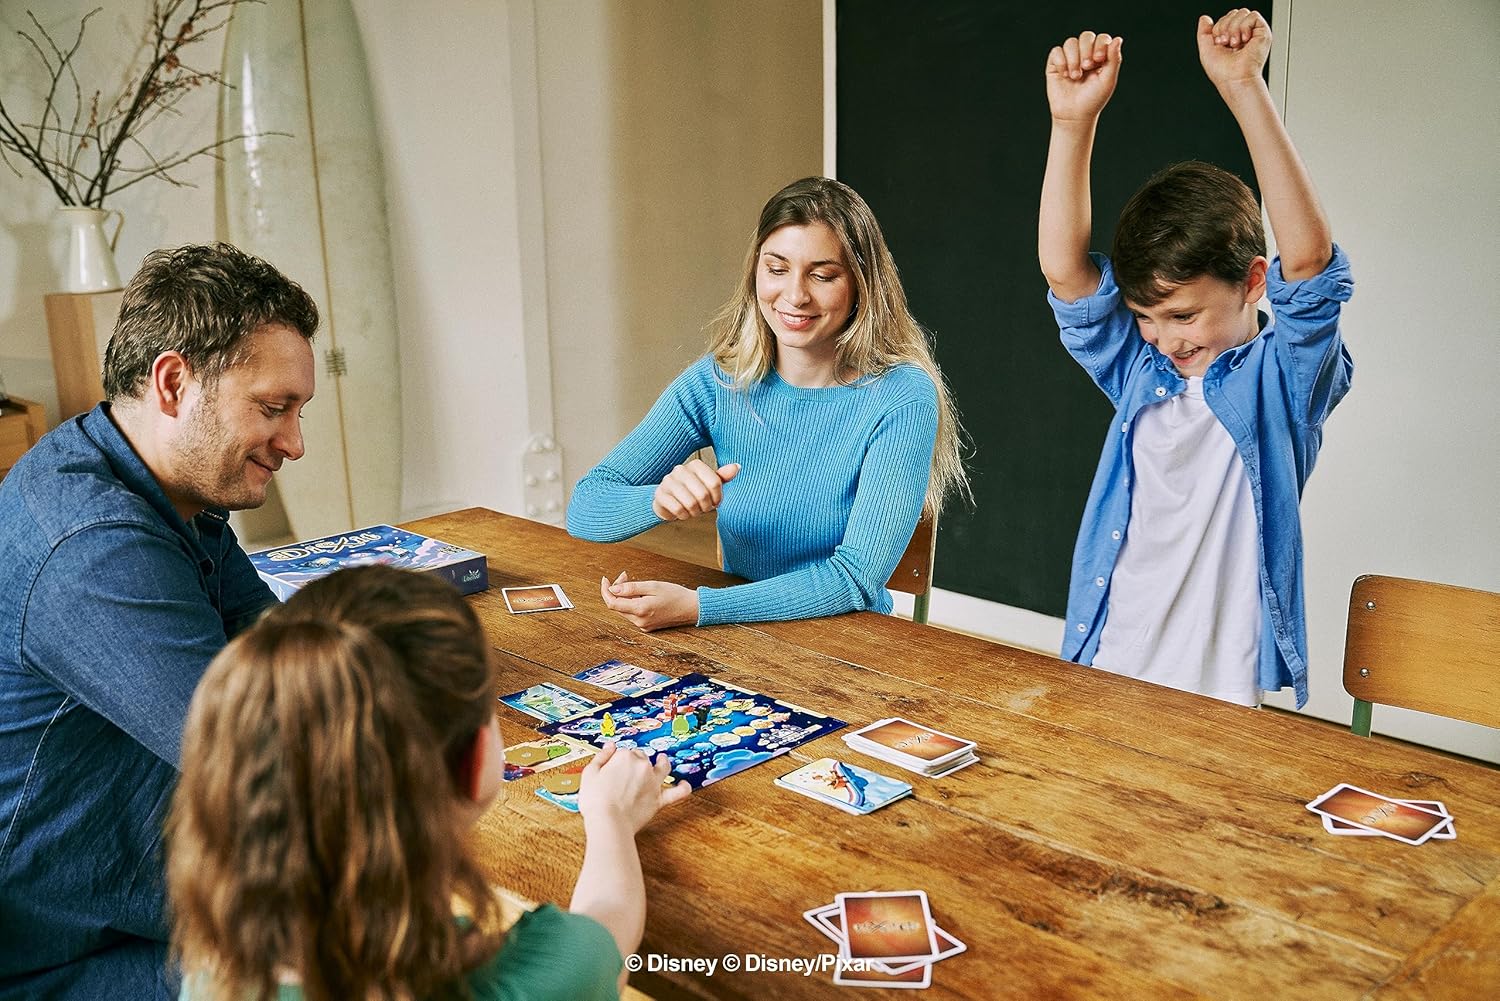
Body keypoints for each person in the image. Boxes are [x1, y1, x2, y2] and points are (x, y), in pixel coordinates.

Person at [0, 243, 318, 998]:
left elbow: (276, 650)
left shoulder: (163, 483)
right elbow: (268, 757)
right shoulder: (91, 545)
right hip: (62, 955)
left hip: (149, 892)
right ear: (174, 382)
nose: (295, 443)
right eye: (273, 408)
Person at [166, 565, 689, 1000]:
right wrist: (612, 821)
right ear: (472, 758)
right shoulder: (517, 986)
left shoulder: (213, 971)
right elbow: (605, 940)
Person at [1038, 10, 1353, 708]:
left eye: (1183, 315)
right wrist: (1071, 124)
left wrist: (1244, 85)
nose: (1164, 337)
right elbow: (1066, 274)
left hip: (1216, 690)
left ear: (1252, 280)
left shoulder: (1282, 383)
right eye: (1146, 318)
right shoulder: (1141, 372)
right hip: (1109, 656)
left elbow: (1309, 263)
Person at [567, 176, 969, 631]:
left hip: (848, 644)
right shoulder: (717, 382)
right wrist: (658, 501)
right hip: (738, 638)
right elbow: (586, 510)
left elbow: (855, 579)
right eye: (777, 269)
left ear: (861, 285)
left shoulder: (901, 397)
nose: (795, 295)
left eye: (822, 275)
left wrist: (701, 608)